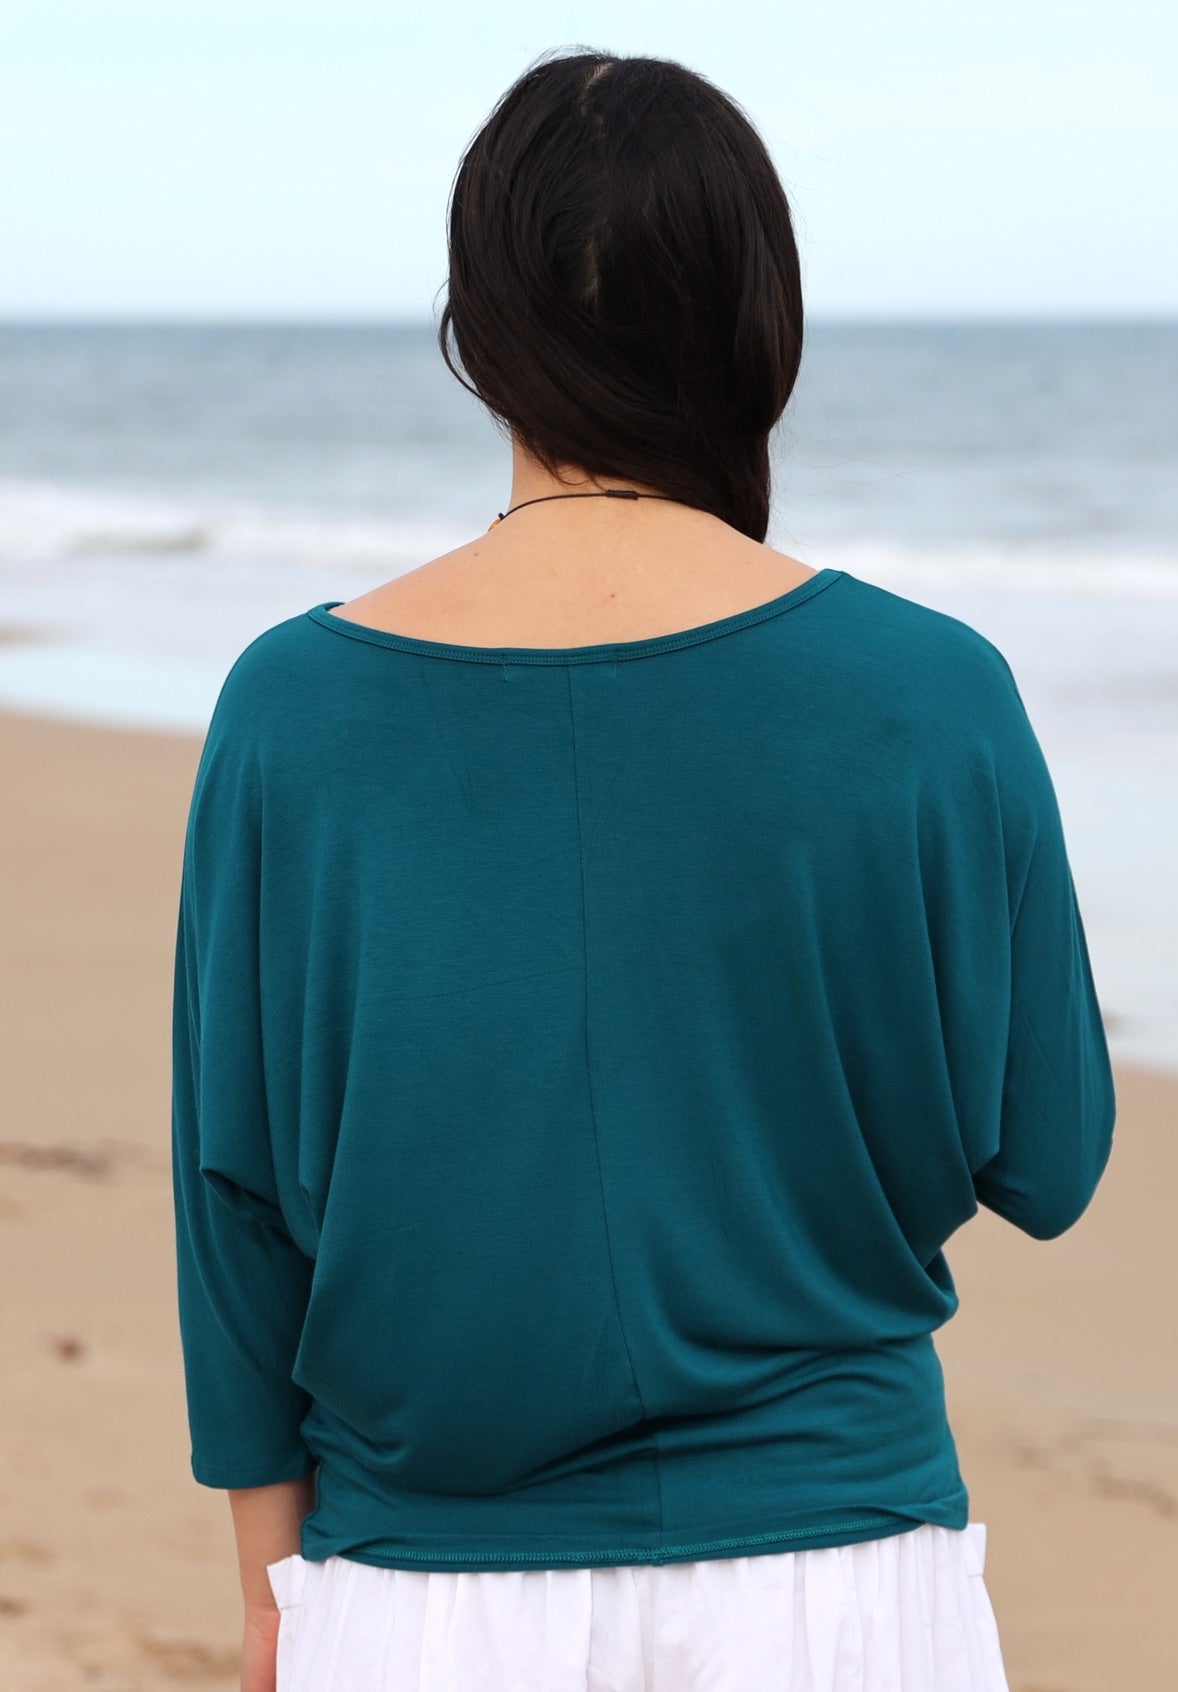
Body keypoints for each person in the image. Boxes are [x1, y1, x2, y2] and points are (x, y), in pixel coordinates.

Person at [170, 46, 1116, 1692]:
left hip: (422, 1599)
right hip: (844, 1588)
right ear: (764, 321)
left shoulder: (291, 708)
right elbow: (1049, 1154)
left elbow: (234, 1205)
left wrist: (273, 1598)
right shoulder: (931, 691)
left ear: (479, 334)